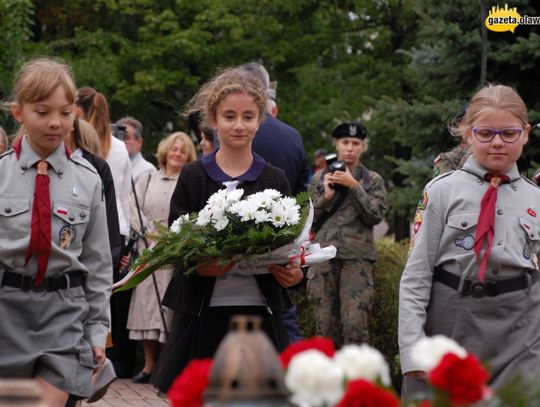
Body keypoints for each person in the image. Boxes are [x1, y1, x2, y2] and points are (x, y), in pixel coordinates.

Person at [151, 67, 304, 394]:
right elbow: (176, 247)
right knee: (201, 397)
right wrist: (201, 266)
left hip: (261, 314)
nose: (239, 125)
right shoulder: (193, 177)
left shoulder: (274, 179)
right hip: (202, 316)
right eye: (230, 116)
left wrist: (296, 274)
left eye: (248, 116)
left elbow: (293, 247)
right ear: (213, 119)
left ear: (260, 119)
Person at [399, 84, 540, 398]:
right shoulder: (441, 192)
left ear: (526, 133)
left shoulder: (536, 198)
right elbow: (416, 275)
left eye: (509, 133)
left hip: (522, 333)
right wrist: (411, 348)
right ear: (467, 133)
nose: (498, 143)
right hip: (452, 324)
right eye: (485, 133)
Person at [0, 58, 112, 407]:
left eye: (65, 113)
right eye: (42, 111)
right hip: (6, 311)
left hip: (65, 313)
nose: (55, 122)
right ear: (18, 113)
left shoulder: (89, 179)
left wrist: (97, 332)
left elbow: (98, 265)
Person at [240, 62, 307, 343]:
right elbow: (303, 201)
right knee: (282, 325)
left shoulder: (233, 135)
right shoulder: (292, 138)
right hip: (281, 248)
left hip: (237, 248)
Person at [307, 122, 388, 348]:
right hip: (323, 257)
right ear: (337, 145)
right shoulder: (319, 178)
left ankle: (356, 379)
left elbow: (376, 215)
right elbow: (307, 218)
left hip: (357, 260)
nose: (350, 148)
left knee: (355, 324)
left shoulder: (373, 180)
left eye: (355, 143)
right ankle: (325, 380)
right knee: (324, 325)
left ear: (363, 147)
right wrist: (327, 195)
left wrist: (354, 186)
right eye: (345, 143)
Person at [75, 87, 135, 378]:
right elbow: (123, 196)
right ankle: (109, 355)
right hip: (118, 227)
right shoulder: (120, 147)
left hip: (89, 223)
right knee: (109, 297)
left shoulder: (81, 147)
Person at [127, 131, 196, 384]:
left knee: (169, 308)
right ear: (165, 151)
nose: (177, 153)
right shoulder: (146, 180)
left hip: (174, 252)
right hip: (149, 251)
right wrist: (148, 233)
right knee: (146, 309)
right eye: (174, 149)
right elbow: (133, 208)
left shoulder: (189, 181)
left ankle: (168, 364)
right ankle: (148, 365)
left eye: (183, 150)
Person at [432, 108, 471, 177]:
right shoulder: (448, 159)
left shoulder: (491, 154)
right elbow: (443, 186)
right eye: (466, 123)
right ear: (458, 127)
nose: (471, 127)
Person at [116, 116, 156, 182]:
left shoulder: (148, 171)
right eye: (118, 137)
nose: (121, 142)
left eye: (126, 138)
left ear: (139, 143)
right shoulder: (107, 163)